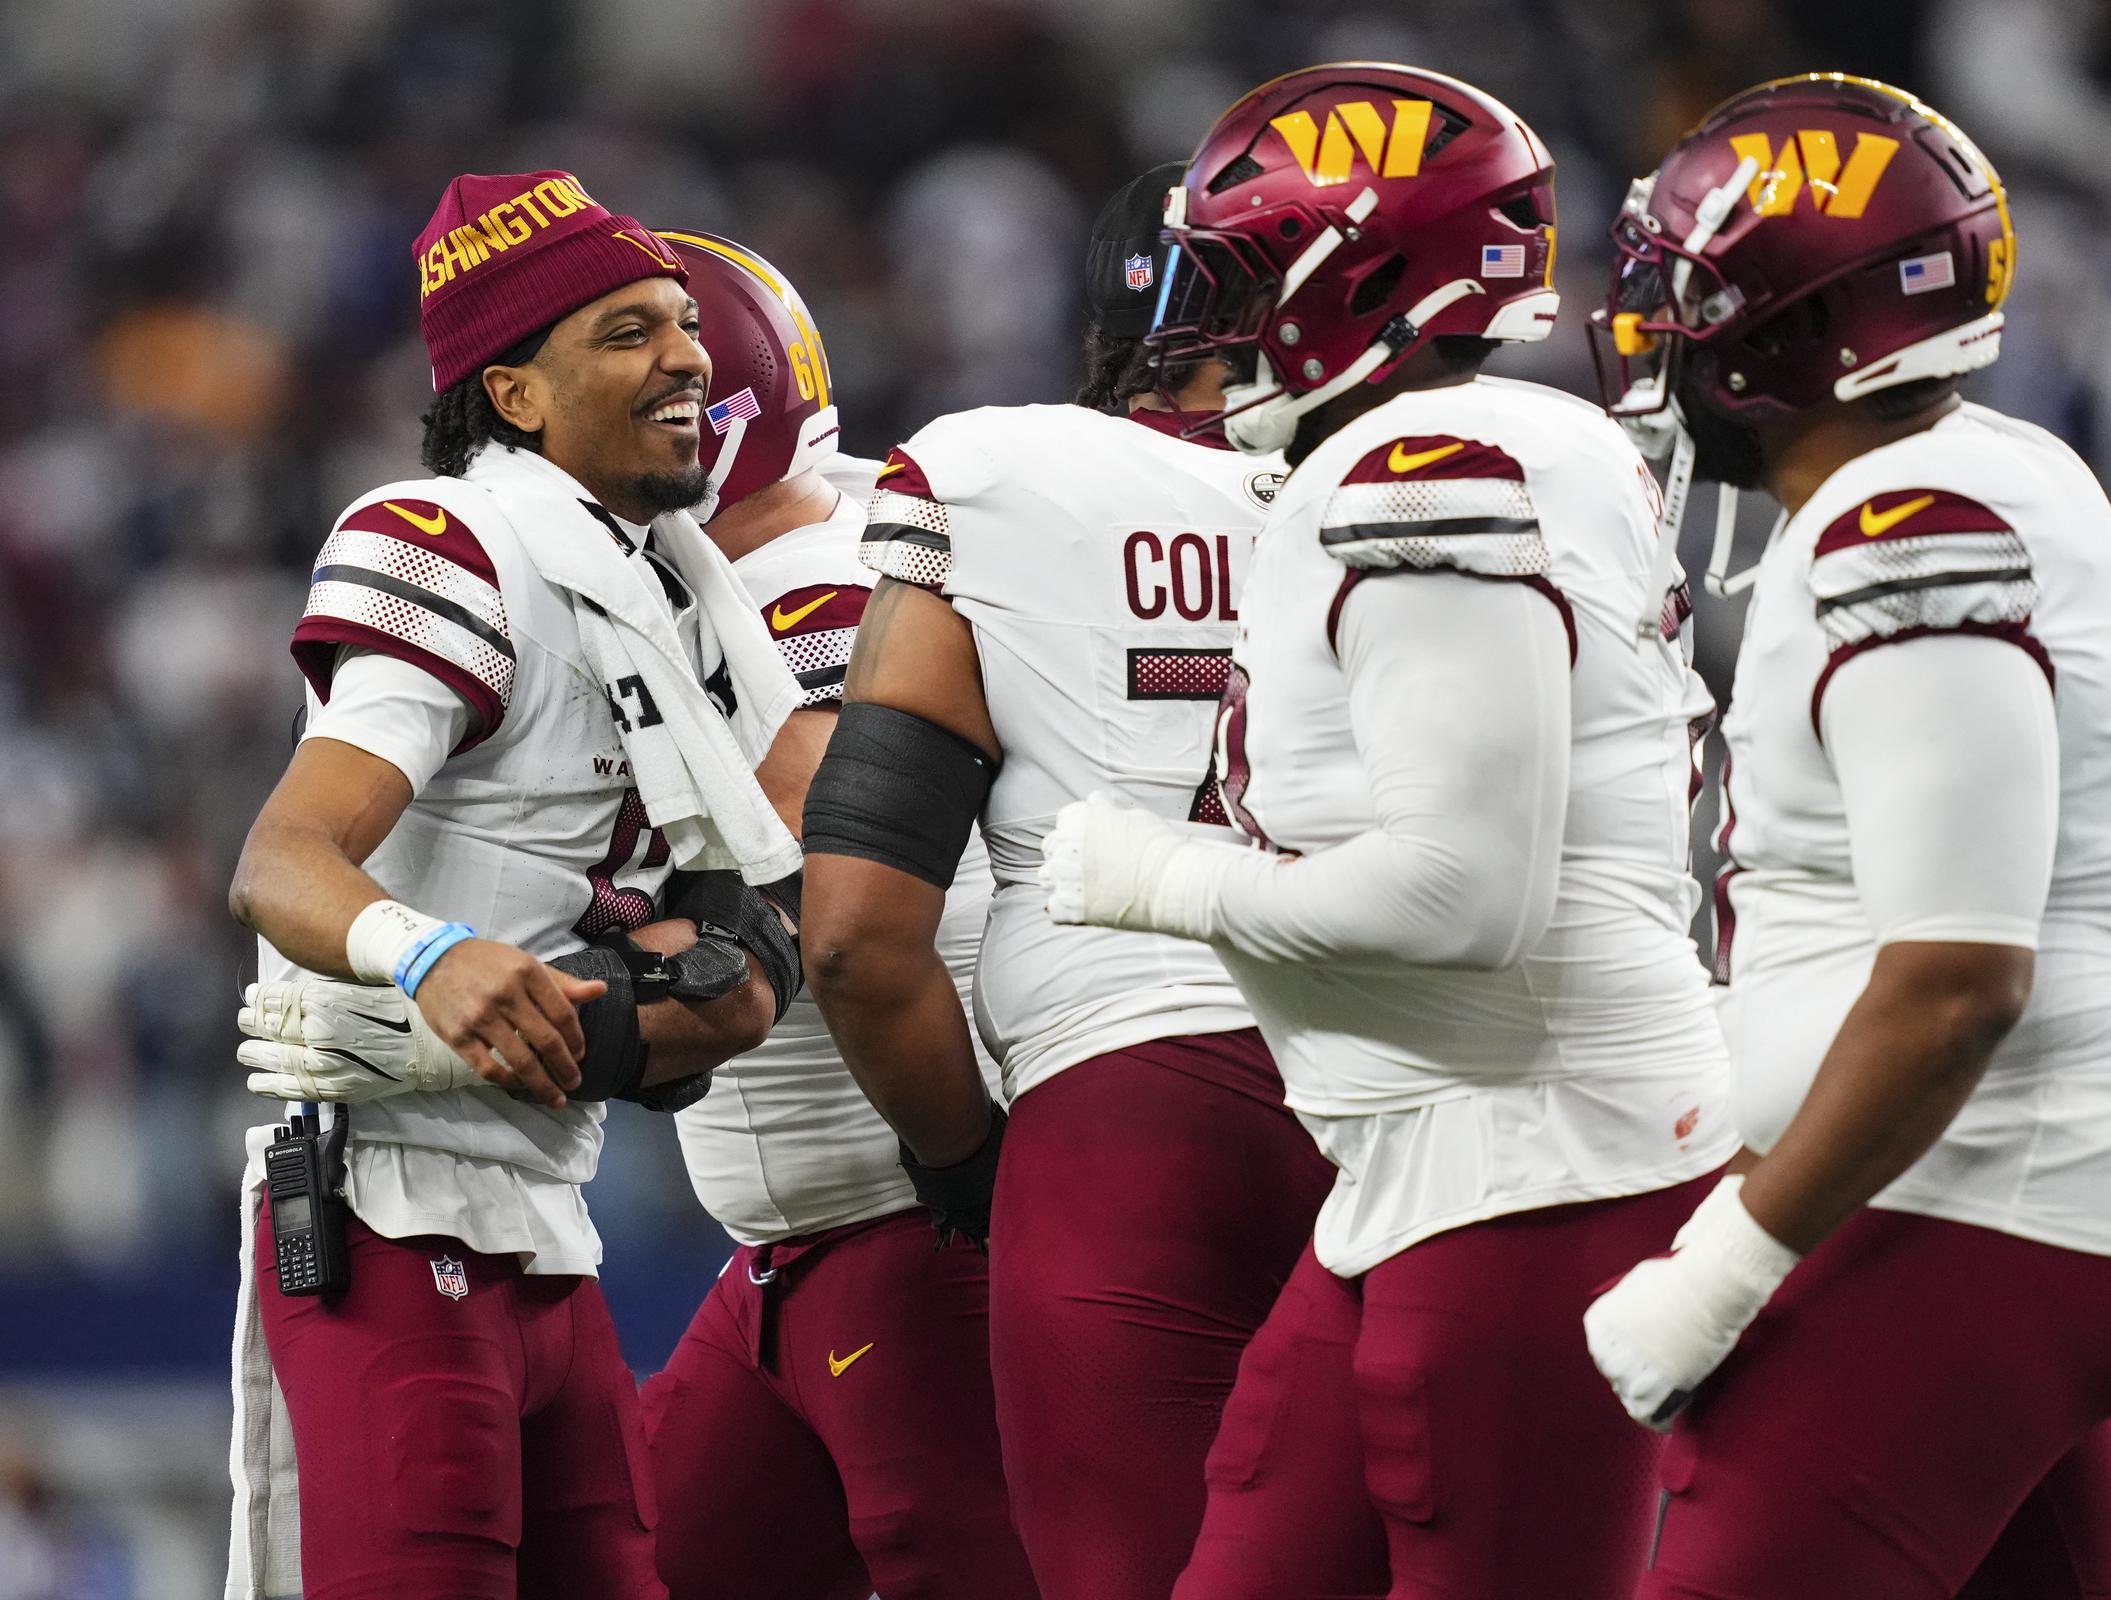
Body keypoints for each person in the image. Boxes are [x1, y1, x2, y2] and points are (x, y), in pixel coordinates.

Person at [1041, 63, 1736, 1598]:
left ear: (1349, 276)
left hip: (1533, 1173)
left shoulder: (1415, 471)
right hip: (1430, 1163)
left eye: (1234, 276)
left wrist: (1160, 880)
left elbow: (1459, 895)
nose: (1207, 326)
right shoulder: (1508, 439)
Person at [1578, 74, 2111, 1599]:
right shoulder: (1993, 479)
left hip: (1986, 1199)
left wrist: (1728, 1264)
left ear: (1789, 326)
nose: (1650, 339)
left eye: (1686, 300)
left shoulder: (1913, 523)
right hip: (2059, 1184)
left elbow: (1960, 977)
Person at [225, 171, 807, 1600]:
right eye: (625, 332)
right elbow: (283, 861)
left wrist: (708, 983)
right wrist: (432, 957)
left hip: (548, 1219)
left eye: (681, 322)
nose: (684, 356)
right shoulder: (461, 543)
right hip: (387, 1212)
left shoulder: (676, 587)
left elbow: (746, 919)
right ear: (518, 398)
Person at [797, 164, 1328, 1600]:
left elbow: (852, 932)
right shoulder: (1478, 482)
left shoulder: (1001, 476)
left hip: (1129, 1112)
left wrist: (967, 1158)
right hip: (1439, 1103)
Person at [632, 228, 1035, 1600]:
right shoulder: (856, 530)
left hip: (905, 1222)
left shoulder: (794, 601)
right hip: (810, 1250)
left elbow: (825, 906)